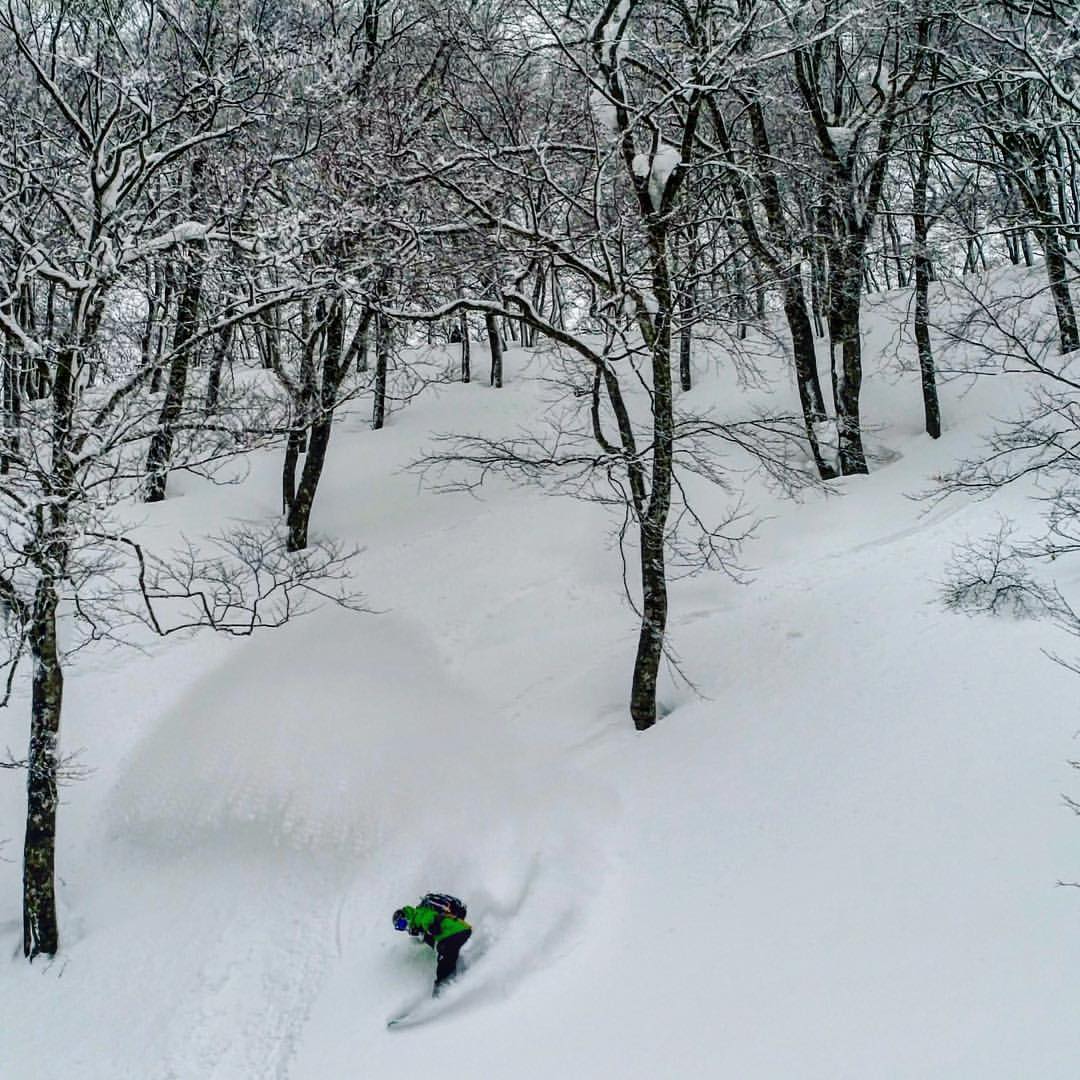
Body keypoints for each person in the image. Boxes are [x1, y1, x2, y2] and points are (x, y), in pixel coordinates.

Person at [393, 896, 472, 994]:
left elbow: (428, 917)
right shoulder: (418, 925)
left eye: (402, 923)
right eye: (400, 928)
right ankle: (461, 979)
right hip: (457, 932)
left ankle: (442, 993)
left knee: (444, 964)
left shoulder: (417, 915)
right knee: (446, 957)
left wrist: (429, 925)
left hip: (456, 932)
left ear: (406, 916)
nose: (405, 927)